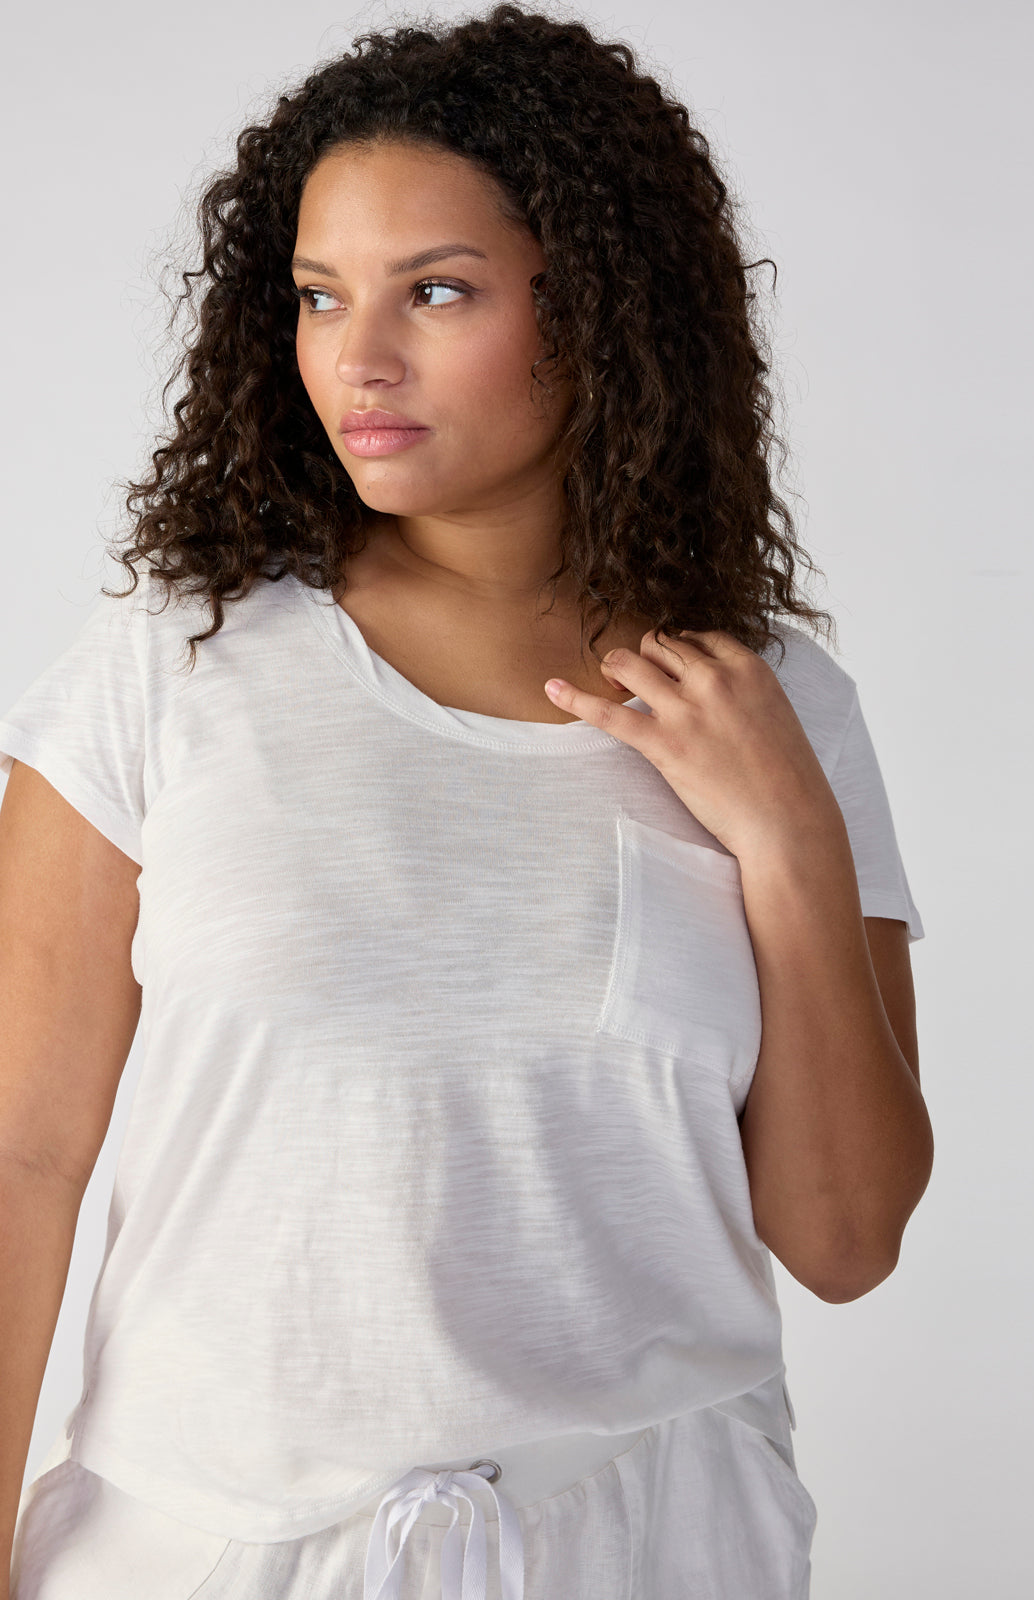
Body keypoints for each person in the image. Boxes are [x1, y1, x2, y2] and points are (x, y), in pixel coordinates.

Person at [0, 5, 934, 1597]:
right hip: (209, 1552)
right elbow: (22, 1148)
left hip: (652, 1547)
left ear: (606, 309)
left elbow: (845, 1240)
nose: (357, 359)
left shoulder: (773, 706)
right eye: (317, 296)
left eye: (438, 292)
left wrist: (782, 835)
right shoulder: (175, 665)